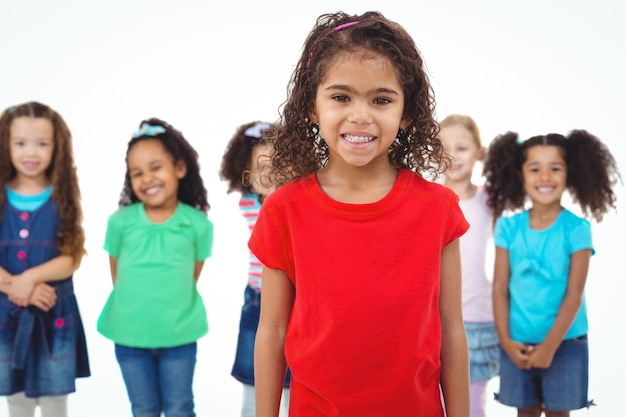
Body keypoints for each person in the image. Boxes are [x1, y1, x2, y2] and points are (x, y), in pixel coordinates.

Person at [249, 11, 470, 417]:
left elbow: (452, 329)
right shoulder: (284, 211)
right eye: (341, 97)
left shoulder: (438, 210)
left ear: (406, 113)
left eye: (381, 99)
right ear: (311, 107)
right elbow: (272, 331)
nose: (361, 115)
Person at [482, 130, 620, 417]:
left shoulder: (577, 229)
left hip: (566, 343)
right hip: (517, 341)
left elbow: (573, 295)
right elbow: (499, 289)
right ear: (521, 175)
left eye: (555, 168)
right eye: (535, 169)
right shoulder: (508, 228)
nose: (545, 177)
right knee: (526, 412)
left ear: (569, 175)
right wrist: (506, 341)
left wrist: (549, 347)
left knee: (559, 413)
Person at [97, 118, 213, 417]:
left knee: (179, 407)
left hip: (179, 338)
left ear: (179, 168)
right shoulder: (119, 222)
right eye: (137, 173)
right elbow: (117, 277)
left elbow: (192, 277)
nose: (146, 178)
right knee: (144, 409)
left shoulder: (197, 225)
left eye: (155, 167)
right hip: (129, 338)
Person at [0, 101, 90, 417]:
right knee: (17, 400)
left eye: (42, 143)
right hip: (5, 318)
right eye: (20, 143)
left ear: (57, 146)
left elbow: (73, 255)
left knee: (54, 402)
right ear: (5, 144)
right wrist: (16, 287)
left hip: (55, 315)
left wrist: (29, 279)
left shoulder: (63, 194)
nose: (31, 152)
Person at [219, 121, 291, 417]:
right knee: (254, 382)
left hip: (294, 303)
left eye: (277, 165)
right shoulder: (248, 202)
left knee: (293, 386)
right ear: (245, 173)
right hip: (256, 301)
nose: (270, 175)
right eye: (260, 169)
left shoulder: (297, 204)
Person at [439, 114, 499, 417]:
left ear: (480, 152)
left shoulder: (492, 201)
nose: (452, 156)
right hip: (431, 321)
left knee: (472, 409)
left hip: (477, 321)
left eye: (461, 148)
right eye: (444, 147)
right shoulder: (428, 199)